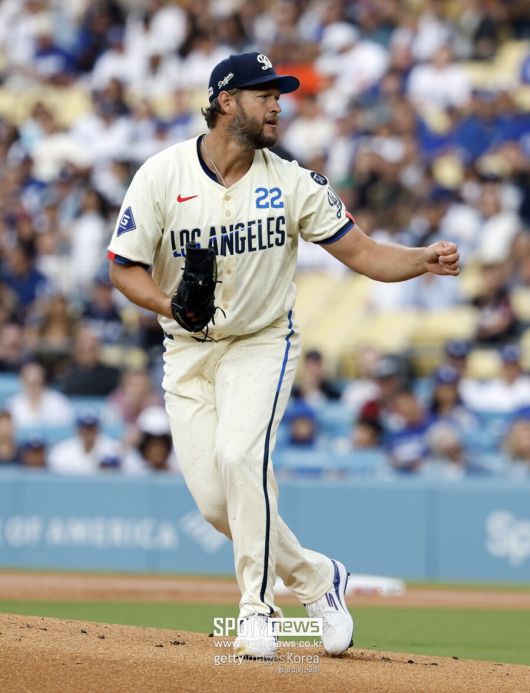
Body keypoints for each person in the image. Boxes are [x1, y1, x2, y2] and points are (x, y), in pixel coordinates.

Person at [107, 51, 460, 659]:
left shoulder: (294, 181)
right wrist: (170, 306)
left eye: (279, 95)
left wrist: (420, 259)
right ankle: (318, 578)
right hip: (187, 351)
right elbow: (122, 267)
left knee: (240, 457)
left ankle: (256, 610)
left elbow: (364, 253)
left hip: (261, 342)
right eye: (264, 94)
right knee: (218, 505)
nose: (277, 105)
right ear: (226, 101)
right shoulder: (162, 175)